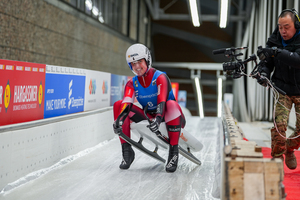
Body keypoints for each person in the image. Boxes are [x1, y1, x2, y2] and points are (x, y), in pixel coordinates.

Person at [112, 43, 186, 173]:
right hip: (150, 117)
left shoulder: (160, 77)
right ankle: (127, 151)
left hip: (170, 116)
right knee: (119, 105)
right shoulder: (132, 83)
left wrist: (158, 119)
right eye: (133, 64)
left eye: (139, 62)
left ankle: (173, 152)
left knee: (171, 104)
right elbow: (126, 104)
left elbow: (162, 101)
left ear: (147, 60)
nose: (137, 67)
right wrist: (119, 120)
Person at [256, 8, 300, 169]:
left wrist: (276, 52)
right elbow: (267, 63)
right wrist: (263, 73)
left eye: (287, 26)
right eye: (280, 27)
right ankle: (276, 158)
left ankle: (290, 148)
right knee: (279, 126)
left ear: (296, 25)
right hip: (282, 89)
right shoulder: (274, 40)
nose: (283, 31)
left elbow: (297, 60)